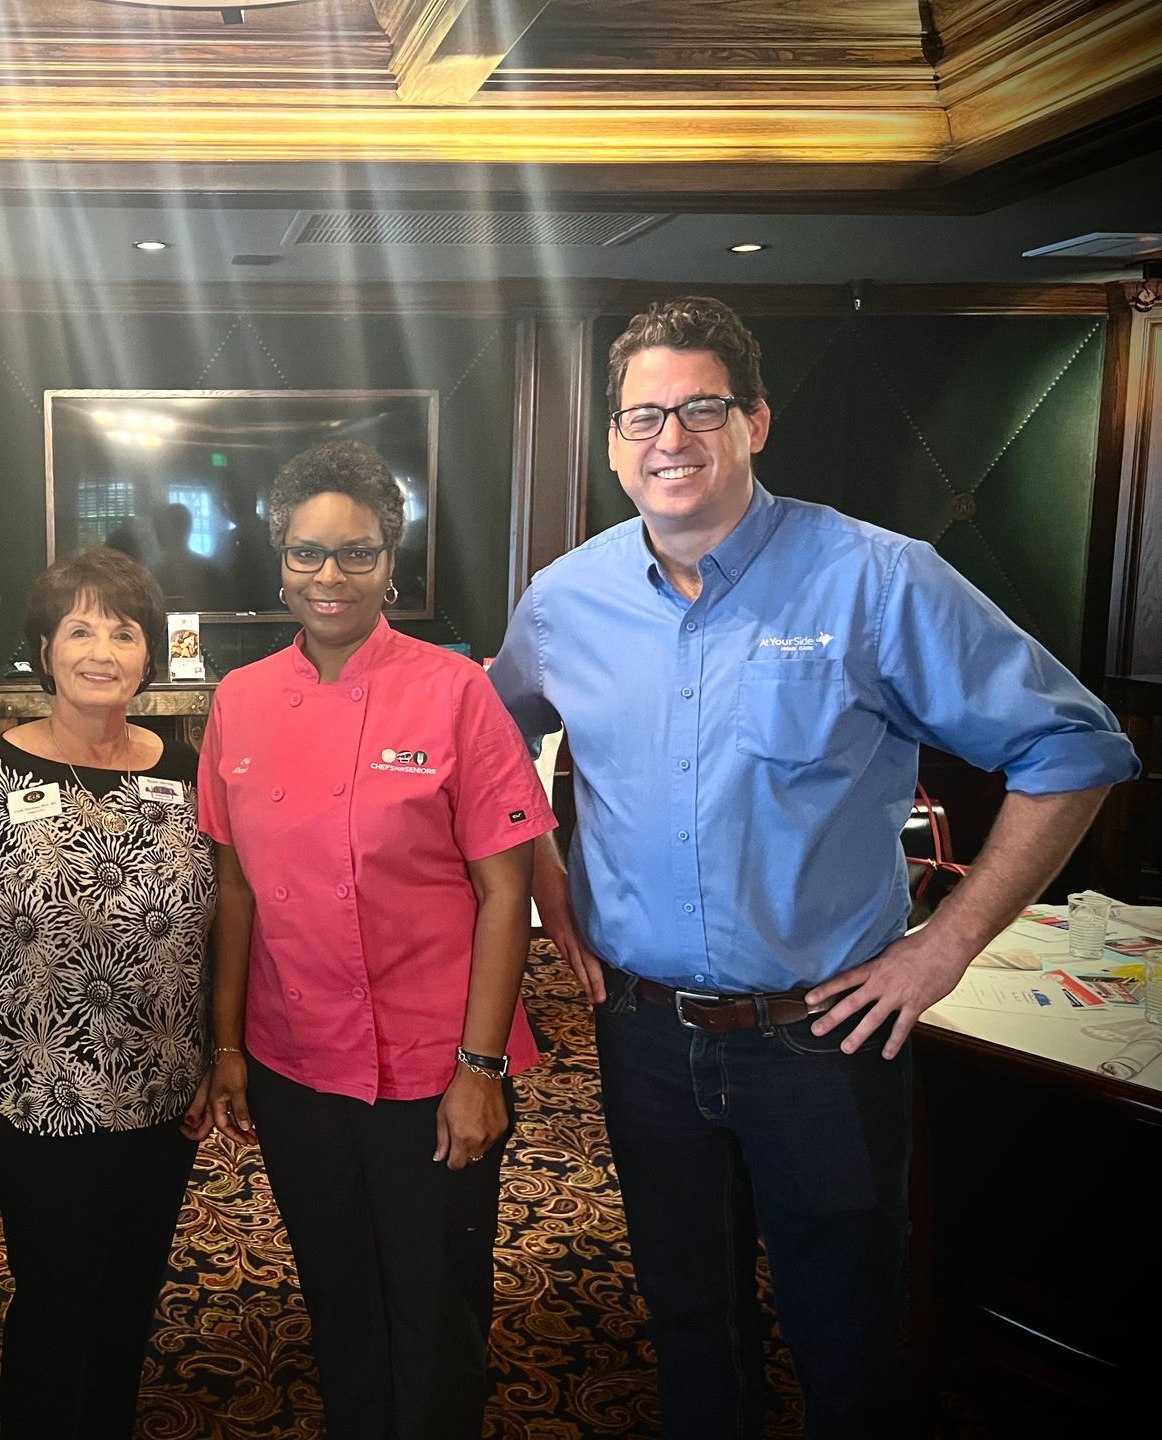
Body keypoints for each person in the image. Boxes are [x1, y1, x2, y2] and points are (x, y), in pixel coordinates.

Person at [489, 295, 1142, 1439]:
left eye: (702, 408)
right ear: (614, 443)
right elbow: (490, 751)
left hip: (823, 1040)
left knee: (847, 1338)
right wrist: (551, 888)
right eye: (644, 416)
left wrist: (947, 946)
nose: (671, 439)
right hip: (641, 1034)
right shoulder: (564, 601)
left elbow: (1075, 748)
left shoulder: (877, 579)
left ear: (755, 422)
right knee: (688, 1322)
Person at [199, 440, 553, 1440]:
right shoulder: (239, 700)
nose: (331, 575)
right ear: (280, 561)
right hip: (295, 1062)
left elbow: (505, 892)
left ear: (391, 562)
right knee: (338, 1291)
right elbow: (236, 889)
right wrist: (228, 1046)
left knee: (436, 1303)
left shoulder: (455, 691)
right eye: (307, 552)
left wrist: (480, 1068)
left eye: (357, 553)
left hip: (435, 1063)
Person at [0, 548, 215, 1439]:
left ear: (150, 654)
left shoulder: (185, 771)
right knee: (56, 1297)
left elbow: (217, 928)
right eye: (79, 630)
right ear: (44, 649)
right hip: (39, 1097)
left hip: (163, 1094)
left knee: (131, 1295)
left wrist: (217, 1054)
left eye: (123, 632)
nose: (101, 651)